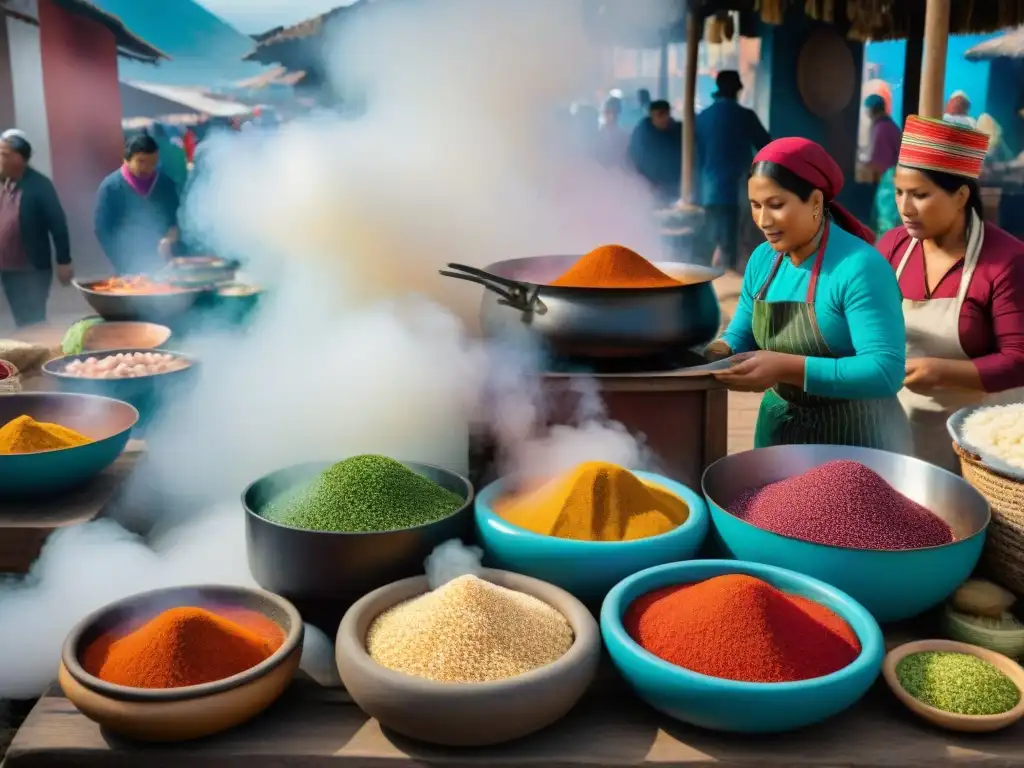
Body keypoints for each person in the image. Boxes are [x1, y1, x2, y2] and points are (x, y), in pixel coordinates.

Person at [706, 137, 911, 451]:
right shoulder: (763, 260)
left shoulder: (859, 267)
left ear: (816, 202)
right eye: (755, 205)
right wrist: (720, 350)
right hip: (780, 431)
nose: (763, 221)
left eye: (776, 205)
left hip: (857, 439)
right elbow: (742, 331)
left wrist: (786, 368)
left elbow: (885, 371)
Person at [877, 116, 1024, 473]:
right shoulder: (893, 247)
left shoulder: (1005, 260)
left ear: (960, 195)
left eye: (920, 195)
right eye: (899, 192)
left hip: (980, 436)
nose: (905, 207)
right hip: (898, 425)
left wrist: (939, 370)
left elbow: (1018, 360)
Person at [694, 71, 771, 271]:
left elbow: (695, 156)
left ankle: (712, 288)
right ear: (738, 90)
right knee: (732, 245)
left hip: (708, 190)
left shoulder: (702, 117)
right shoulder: (745, 116)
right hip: (737, 191)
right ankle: (728, 287)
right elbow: (767, 147)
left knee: (714, 242)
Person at [0, 129, 71, 327]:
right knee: (20, 318)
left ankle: (39, 353)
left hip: (32, 269)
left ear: (20, 158)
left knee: (33, 319)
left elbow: (58, 223)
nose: (0, 158)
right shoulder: (2, 183)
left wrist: (64, 261)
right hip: (7, 268)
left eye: (4, 154)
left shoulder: (40, 186)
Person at [94, 134, 180, 275]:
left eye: (152, 163)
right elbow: (103, 230)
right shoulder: (110, 187)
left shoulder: (165, 183)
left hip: (162, 265)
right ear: (126, 159)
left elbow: (175, 218)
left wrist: (170, 238)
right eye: (141, 162)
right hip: (125, 266)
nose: (147, 168)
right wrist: (123, 262)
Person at [628, 99, 682, 205]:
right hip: (647, 187)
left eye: (665, 114)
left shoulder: (678, 131)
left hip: (673, 186)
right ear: (651, 116)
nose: (663, 119)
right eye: (659, 115)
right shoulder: (642, 133)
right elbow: (633, 158)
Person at [861, 94, 902, 178]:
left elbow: (880, 162)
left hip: (887, 178)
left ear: (870, 110)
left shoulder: (881, 128)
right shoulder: (890, 125)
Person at [594, 95, 629, 169]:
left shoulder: (624, 136)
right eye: (606, 112)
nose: (606, 115)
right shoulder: (598, 135)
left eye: (610, 112)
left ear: (617, 113)